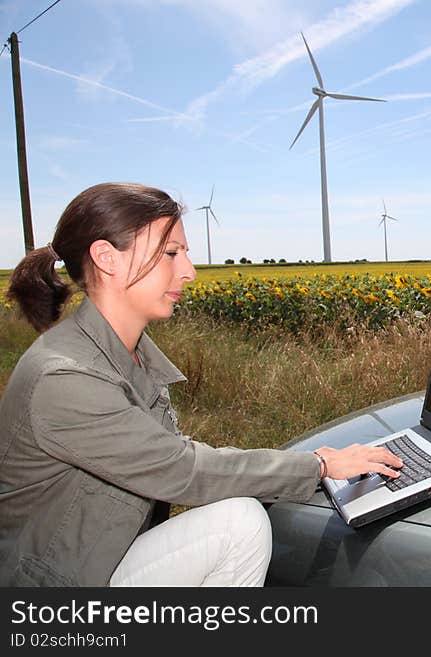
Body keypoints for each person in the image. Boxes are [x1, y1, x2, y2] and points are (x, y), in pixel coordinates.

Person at [0, 182, 403, 587]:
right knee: (237, 525)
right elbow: (182, 469)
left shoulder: (127, 353)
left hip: (96, 556)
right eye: (171, 253)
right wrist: (317, 466)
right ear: (107, 258)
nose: (189, 271)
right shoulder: (66, 377)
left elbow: (175, 458)